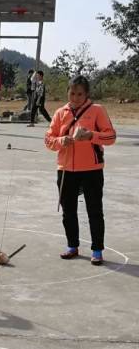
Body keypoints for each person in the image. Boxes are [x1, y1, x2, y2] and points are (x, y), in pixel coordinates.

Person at [44, 75, 116, 265]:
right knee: (68, 211)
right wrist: (61, 141)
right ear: (67, 92)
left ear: (87, 94)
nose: (75, 98)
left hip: (91, 169)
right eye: (72, 93)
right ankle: (72, 246)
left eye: (80, 94)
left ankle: (97, 250)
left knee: (94, 210)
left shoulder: (97, 111)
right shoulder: (61, 113)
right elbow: (48, 140)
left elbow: (111, 137)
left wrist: (91, 135)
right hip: (66, 169)